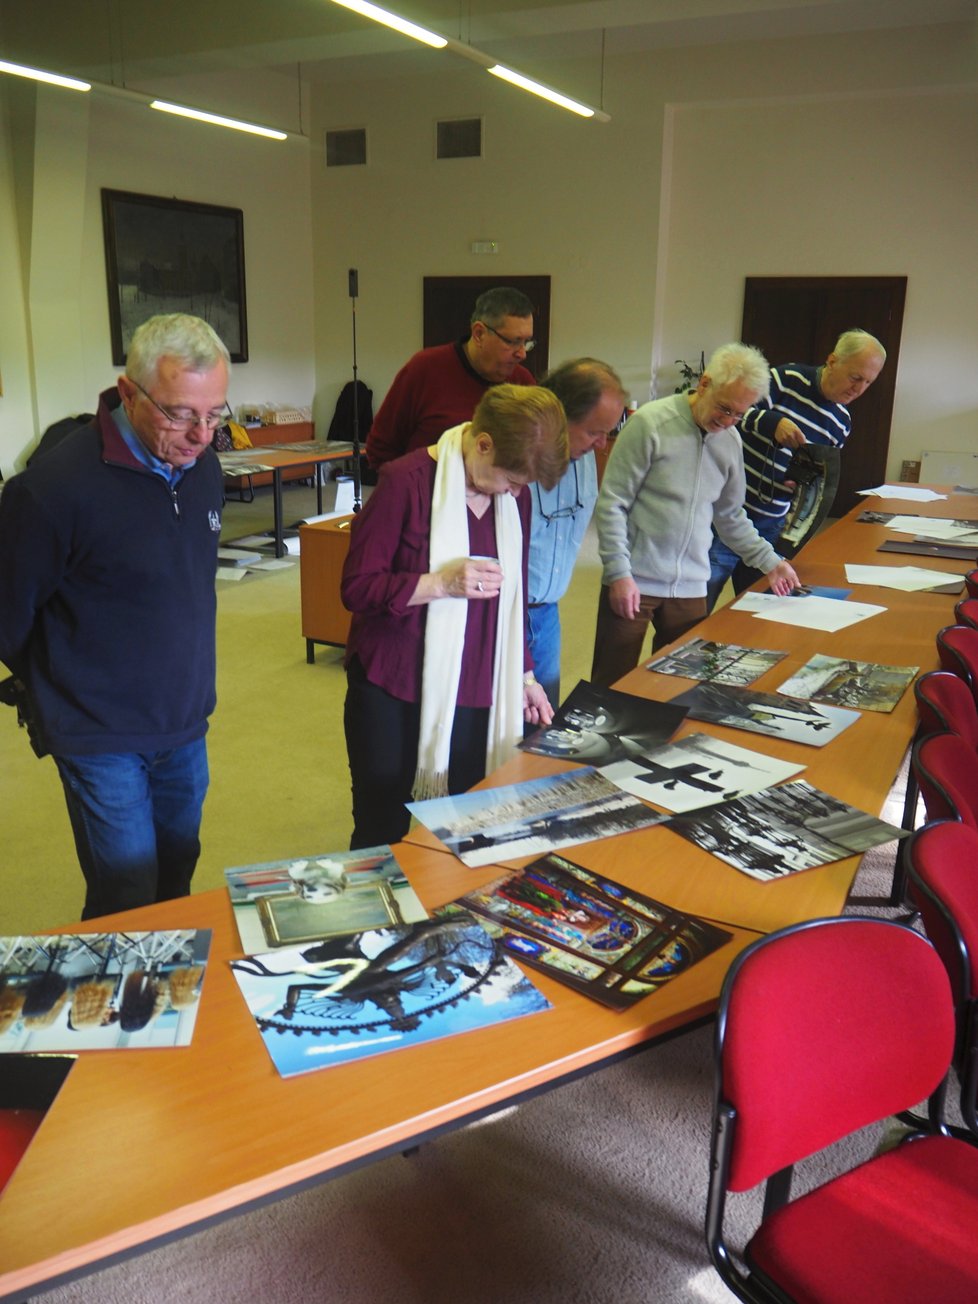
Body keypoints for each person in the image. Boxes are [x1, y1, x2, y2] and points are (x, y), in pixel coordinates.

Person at [0, 313, 228, 919]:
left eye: (215, 414)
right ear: (128, 392)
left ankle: (170, 1005)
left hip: (183, 718)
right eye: (181, 413)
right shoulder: (50, 492)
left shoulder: (203, 466)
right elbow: (8, 617)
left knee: (177, 874)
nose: (202, 434)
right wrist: (61, 685)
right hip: (98, 730)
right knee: (126, 891)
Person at [342, 384, 569, 850]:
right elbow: (357, 588)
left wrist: (525, 675)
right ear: (482, 443)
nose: (516, 492)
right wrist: (440, 583)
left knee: (468, 820)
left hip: (477, 681)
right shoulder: (404, 482)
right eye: (512, 478)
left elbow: (514, 594)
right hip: (395, 683)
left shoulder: (514, 499)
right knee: (382, 823)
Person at [590, 343, 799, 689]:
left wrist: (771, 562)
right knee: (613, 684)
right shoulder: (650, 424)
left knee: (681, 683)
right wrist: (618, 573)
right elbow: (612, 503)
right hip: (635, 578)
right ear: (704, 384)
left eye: (738, 414)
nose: (727, 420)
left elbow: (730, 516)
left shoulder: (730, 442)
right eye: (724, 408)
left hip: (690, 584)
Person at [706, 328, 886, 608]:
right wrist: (771, 423)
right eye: (855, 377)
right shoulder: (785, 380)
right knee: (695, 607)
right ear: (832, 361)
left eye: (867, 382)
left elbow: (817, 475)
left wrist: (803, 483)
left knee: (758, 613)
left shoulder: (841, 421)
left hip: (771, 524)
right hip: (726, 515)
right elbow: (730, 415)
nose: (858, 389)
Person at [527, 359, 627, 708]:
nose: (602, 445)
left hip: (547, 611)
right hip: (502, 616)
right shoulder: (517, 458)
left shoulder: (581, 451)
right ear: (557, 416)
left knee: (539, 726)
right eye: (594, 431)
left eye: (608, 433)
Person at [365, 286, 537, 470]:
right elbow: (380, 449)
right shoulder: (425, 369)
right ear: (479, 334)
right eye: (513, 341)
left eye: (526, 343)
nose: (522, 354)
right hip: (425, 495)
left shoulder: (523, 383)